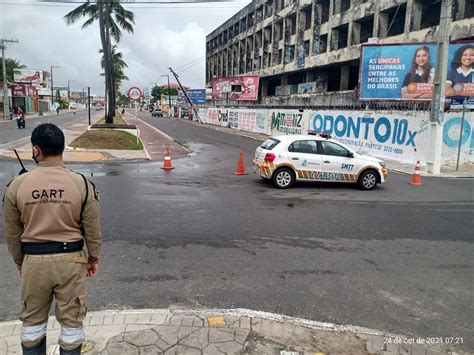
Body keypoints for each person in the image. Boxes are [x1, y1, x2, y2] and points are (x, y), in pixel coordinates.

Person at [3, 123, 102, 355]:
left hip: (33, 263)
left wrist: (21, 264)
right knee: (71, 327)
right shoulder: (82, 184)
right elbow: (92, 229)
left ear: (36, 150)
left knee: (32, 326)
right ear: (62, 149)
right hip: (72, 262)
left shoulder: (16, 186)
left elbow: (12, 233)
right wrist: (93, 258)